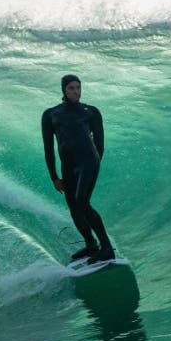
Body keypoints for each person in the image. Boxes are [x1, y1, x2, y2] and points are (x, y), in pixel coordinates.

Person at [42, 74, 115, 263]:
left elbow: (100, 144)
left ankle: (106, 247)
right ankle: (91, 244)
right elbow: (48, 148)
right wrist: (54, 177)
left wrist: (94, 163)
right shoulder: (50, 115)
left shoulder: (91, 112)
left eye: (78, 87)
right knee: (73, 206)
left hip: (88, 162)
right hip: (68, 166)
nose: (76, 91)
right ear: (63, 90)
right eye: (71, 88)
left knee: (82, 200)